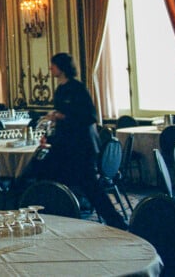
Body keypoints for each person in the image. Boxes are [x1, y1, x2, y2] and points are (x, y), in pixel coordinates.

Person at [38, 53, 127, 230]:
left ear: (61, 67)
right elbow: (62, 123)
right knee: (48, 177)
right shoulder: (60, 90)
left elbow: (89, 117)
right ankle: (60, 219)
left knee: (91, 187)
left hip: (82, 147)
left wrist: (61, 116)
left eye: (53, 65)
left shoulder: (77, 88)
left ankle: (116, 223)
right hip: (65, 147)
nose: (50, 68)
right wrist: (49, 137)